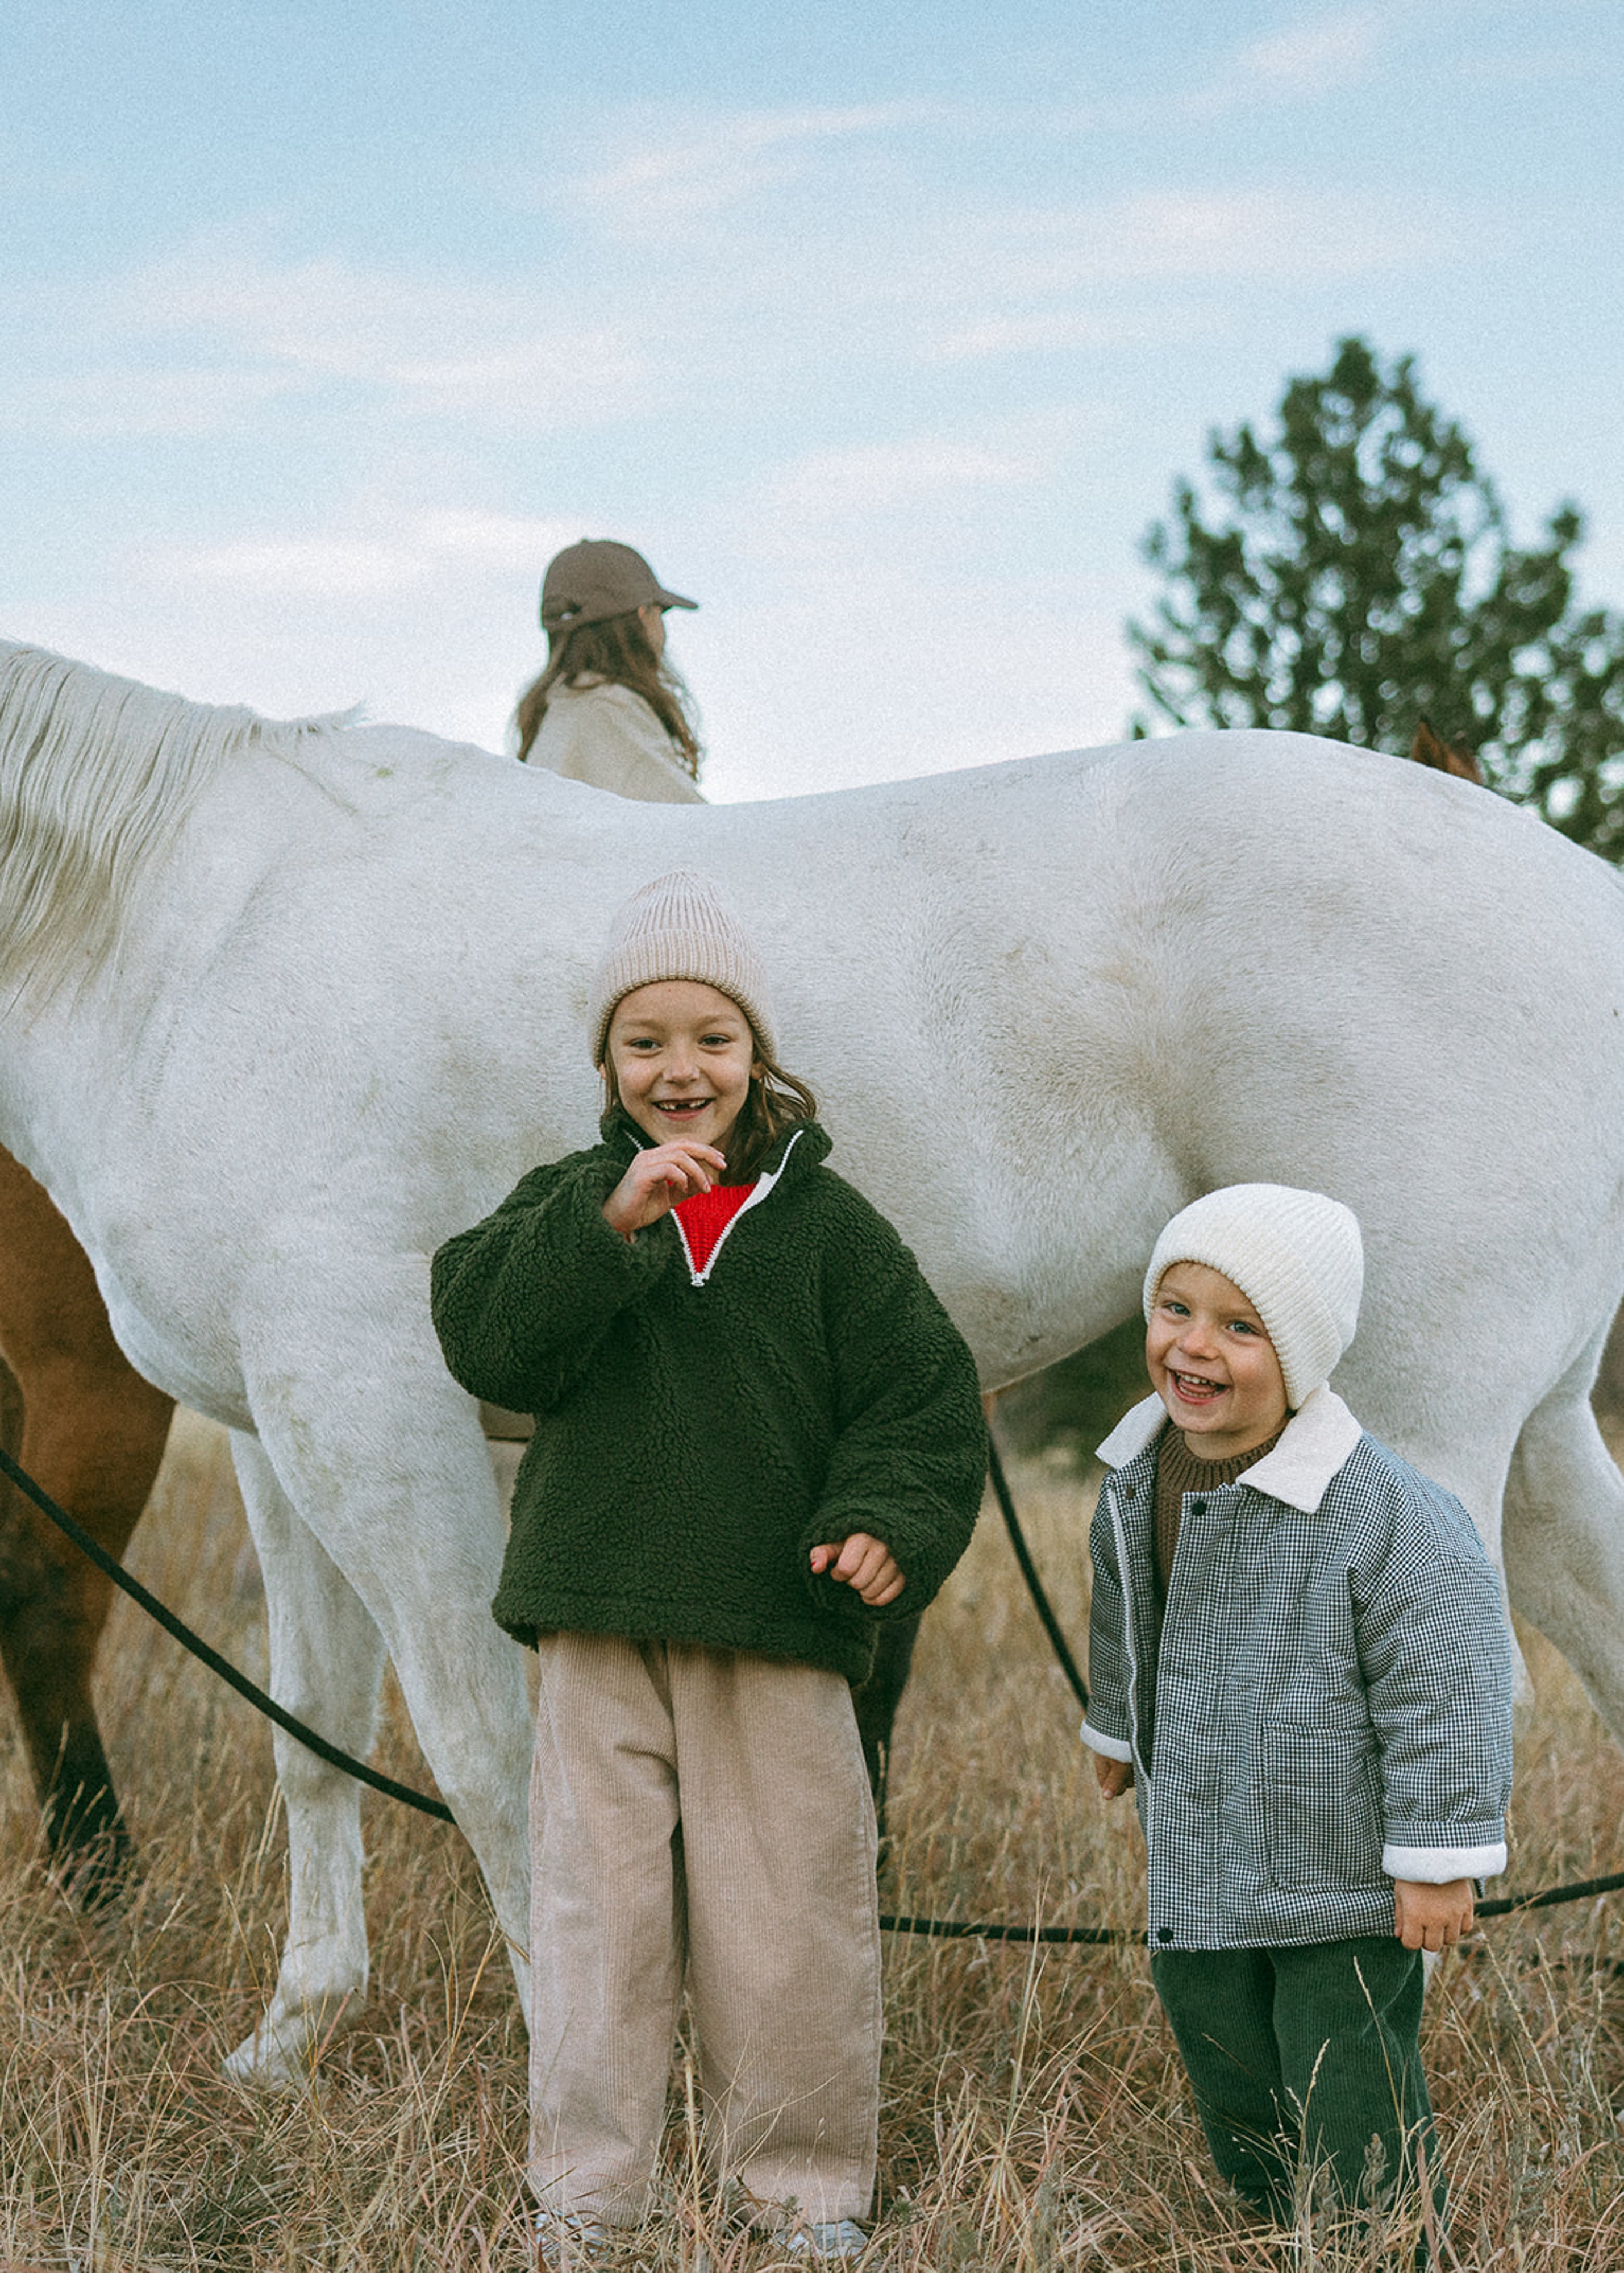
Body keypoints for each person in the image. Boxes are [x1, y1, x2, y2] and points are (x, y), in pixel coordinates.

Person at [430, 871, 987, 2264]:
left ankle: (800, 2193)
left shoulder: (828, 1227)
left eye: (712, 1038)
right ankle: (586, 2194)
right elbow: (487, 1340)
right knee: (596, 1917)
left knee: (789, 1917)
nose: (680, 1068)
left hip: (775, 1616)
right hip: (596, 1611)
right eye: (645, 1041)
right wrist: (603, 1224)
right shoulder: (567, 1204)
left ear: (757, 1054)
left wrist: (884, 1518)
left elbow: (921, 1398)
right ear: (607, 1064)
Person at [1081, 1184, 1514, 2249]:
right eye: (1174, 1309)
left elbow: (1446, 1687)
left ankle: (1378, 2242)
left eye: (1240, 1327)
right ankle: (1278, 2218)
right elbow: (1122, 1616)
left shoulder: (1387, 1514)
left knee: (1346, 2078)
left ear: (1304, 1352)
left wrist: (1438, 1855)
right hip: (1198, 1854)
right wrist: (1114, 1727)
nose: (1193, 1346)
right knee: (1224, 2056)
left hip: (1336, 1871)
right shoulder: (1133, 1480)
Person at [514, 539, 705, 803]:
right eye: (659, 612)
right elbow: (684, 819)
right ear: (643, 614)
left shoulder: (555, 713)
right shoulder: (610, 710)